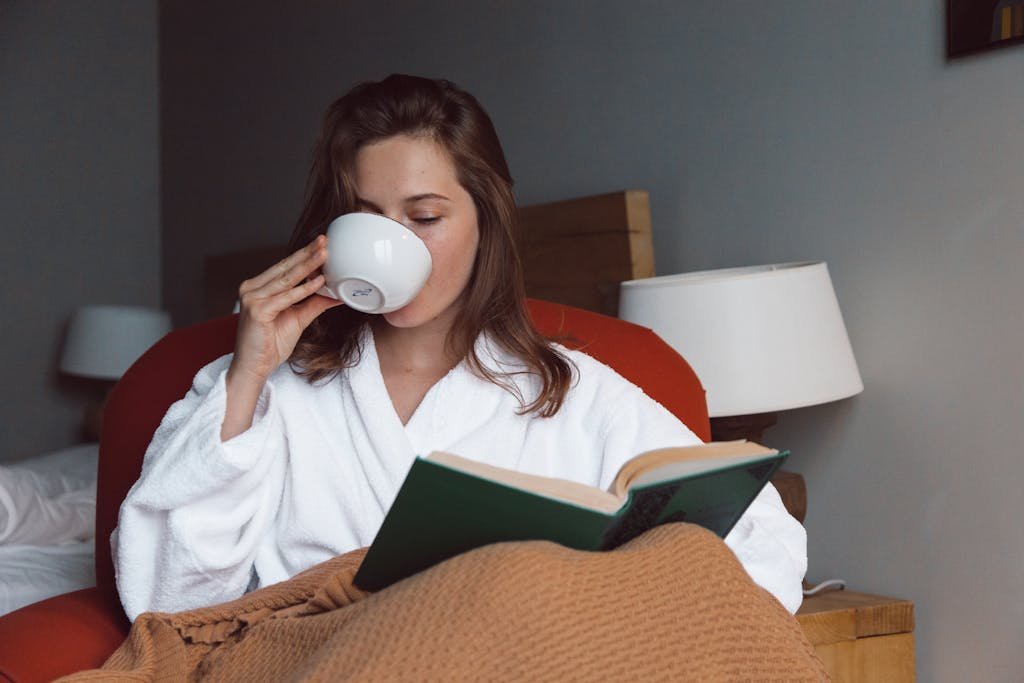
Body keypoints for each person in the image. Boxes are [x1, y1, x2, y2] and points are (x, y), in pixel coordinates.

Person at [112, 74, 806, 622]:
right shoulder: (265, 389)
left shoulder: (573, 392)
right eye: (366, 218)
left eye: (425, 216)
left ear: (485, 221)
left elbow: (763, 550)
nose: (397, 245)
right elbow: (166, 599)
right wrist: (249, 375)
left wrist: (568, 598)